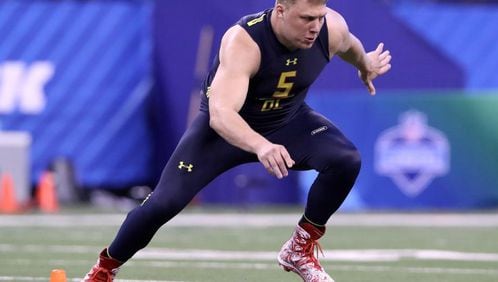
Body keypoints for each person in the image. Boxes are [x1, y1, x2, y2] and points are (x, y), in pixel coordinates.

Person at [83, 0, 391, 281]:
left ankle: (299, 248)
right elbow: (221, 114)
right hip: (224, 131)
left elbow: (350, 45)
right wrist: (260, 145)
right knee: (163, 204)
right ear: (281, 10)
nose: (315, 26)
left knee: (346, 160)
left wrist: (365, 64)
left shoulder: (330, 28)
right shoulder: (244, 41)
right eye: (306, 18)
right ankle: (104, 269)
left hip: (288, 121)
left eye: (319, 17)